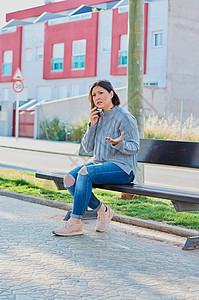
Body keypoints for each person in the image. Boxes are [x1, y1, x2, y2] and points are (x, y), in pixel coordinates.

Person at [53, 80, 139, 236]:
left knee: (86, 173)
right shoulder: (97, 116)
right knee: (69, 179)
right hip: (99, 163)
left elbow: (135, 147)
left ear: (111, 94)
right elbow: (87, 148)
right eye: (94, 95)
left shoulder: (125, 117)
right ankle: (103, 210)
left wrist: (119, 144)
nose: (97, 97)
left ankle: (75, 222)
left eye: (101, 93)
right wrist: (92, 125)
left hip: (123, 168)